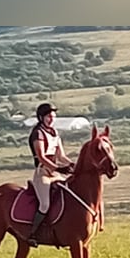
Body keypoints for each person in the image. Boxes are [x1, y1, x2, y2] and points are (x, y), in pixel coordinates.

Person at [27, 103, 74, 246]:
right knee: (45, 204)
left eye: (53, 116)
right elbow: (41, 156)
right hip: (43, 173)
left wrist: (72, 165)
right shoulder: (38, 133)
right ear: (41, 118)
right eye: (48, 117)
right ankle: (33, 234)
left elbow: (61, 156)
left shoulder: (55, 132)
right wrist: (57, 169)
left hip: (55, 172)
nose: (51, 119)